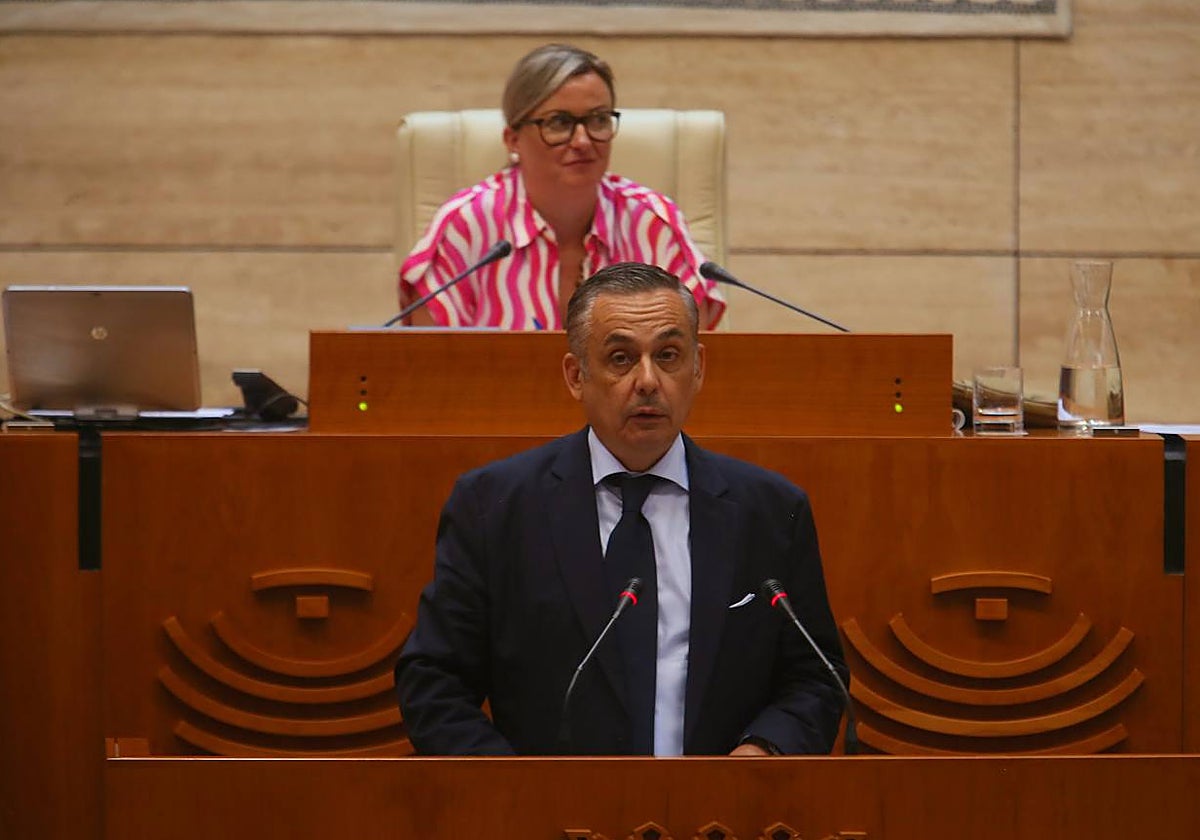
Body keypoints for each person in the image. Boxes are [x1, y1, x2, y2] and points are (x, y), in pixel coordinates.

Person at [395, 262, 847, 757]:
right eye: (620, 358)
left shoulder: (770, 511)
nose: (648, 381)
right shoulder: (495, 506)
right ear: (576, 375)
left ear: (698, 369)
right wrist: (515, 794)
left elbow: (815, 678)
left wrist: (764, 752)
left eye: (669, 356)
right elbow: (434, 682)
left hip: (718, 818)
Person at [398, 43, 726, 331]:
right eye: (560, 123)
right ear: (512, 139)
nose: (582, 141)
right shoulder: (465, 226)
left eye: (598, 120)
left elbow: (690, 359)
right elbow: (433, 372)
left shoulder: (652, 222)